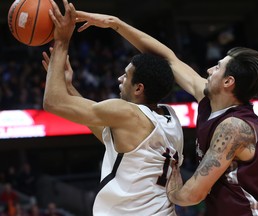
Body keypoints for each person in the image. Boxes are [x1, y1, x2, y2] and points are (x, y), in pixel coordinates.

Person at [74, 9, 258, 216]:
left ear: (228, 82)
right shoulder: (210, 102)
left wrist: (170, 191)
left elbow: (191, 196)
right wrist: (115, 23)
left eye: (217, 67)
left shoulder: (235, 127)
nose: (209, 70)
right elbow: (168, 59)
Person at [42, 0, 183, 215]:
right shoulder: (169, 118)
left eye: (126, 75)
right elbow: (109, 136)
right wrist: (69, 87)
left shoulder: (128, 113)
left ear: (139, 88)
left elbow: (52, 102)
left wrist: (61, 41)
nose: (120, 78)